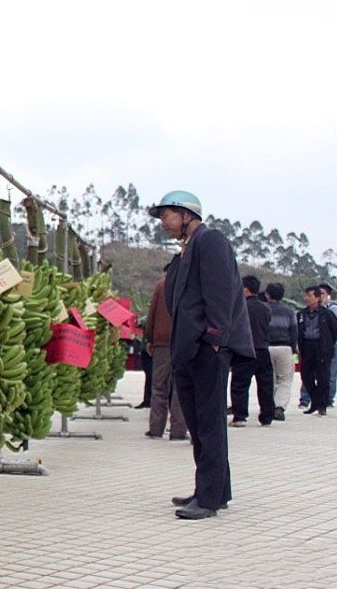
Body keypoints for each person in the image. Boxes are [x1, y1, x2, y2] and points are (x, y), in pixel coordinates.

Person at [148, 190, 254, 520]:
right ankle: (214, 490)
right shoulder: (187, 250)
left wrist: (215, 339)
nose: (163, 222)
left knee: (208, 424)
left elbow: (220, 292)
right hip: (190, 348)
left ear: (187, 214)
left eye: (167, 215)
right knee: (199, 423)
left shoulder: (211, 241)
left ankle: (208, 501)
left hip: (207, 348)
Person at [144, 271, 188, 441]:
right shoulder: (191, 283)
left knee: (159, 386)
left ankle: (156, 428)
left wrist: (150, 338)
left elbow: (152, 312)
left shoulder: (162, 285)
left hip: (162, 340)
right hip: (184, 340)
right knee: (181, 387)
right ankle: (178, 430)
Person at [227, 276, 273, 427]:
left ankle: (240, 416)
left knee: (240, 384)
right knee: (265, 385)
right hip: (263, 350)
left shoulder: (239, 307)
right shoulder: (266, 308)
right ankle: (267, 416)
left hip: (244, 350)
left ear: (245, 289)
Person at [296, 286, 337, 417]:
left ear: (317, 298)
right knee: (306, 375)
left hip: (322, 348)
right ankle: (315, 401)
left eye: (310, 296)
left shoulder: (326, 314)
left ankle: (322, 405)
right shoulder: (302, 314)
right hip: (307, 347)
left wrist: (328, 345)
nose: (307, 298)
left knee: (323, 377)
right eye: (306, 296)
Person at [264, 282, 298, 420]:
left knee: (269, 379)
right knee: (285, 379)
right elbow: (294, 332)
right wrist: (294, 349)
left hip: (266, 347)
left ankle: (268, 405)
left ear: (267, 295)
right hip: (285, 347)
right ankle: (279, 407)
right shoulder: (289, 311)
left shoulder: (264, 309)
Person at [318, 283, 337, 407]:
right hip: (317, 346)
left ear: (328, 296)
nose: (320, 296)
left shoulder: (334, 308)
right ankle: (307, 399)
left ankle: (328, 400)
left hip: (332, 346)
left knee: (331, 375)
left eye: (322, 294)